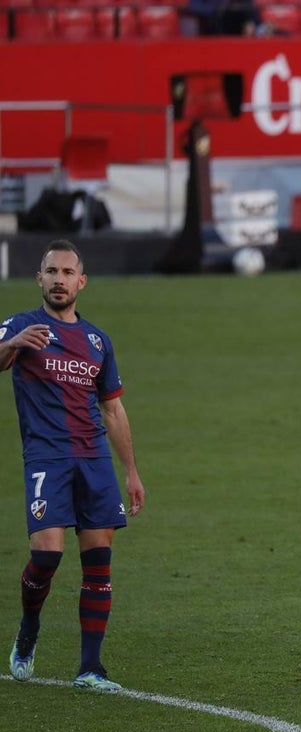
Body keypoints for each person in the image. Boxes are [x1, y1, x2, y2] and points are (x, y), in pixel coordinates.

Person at [2, 240, 146, 692]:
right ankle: (28, 631)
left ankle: (90, 668)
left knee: (98, 562)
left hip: (93, 458)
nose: (59, 280)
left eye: (68, 273)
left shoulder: (97, 340)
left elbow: (113, 410)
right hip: (47, 457)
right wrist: (12, 344)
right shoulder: (22, 325)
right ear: (38, 279)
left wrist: (131, 471)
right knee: (46, 556)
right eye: (51, 272)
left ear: (81, 282)